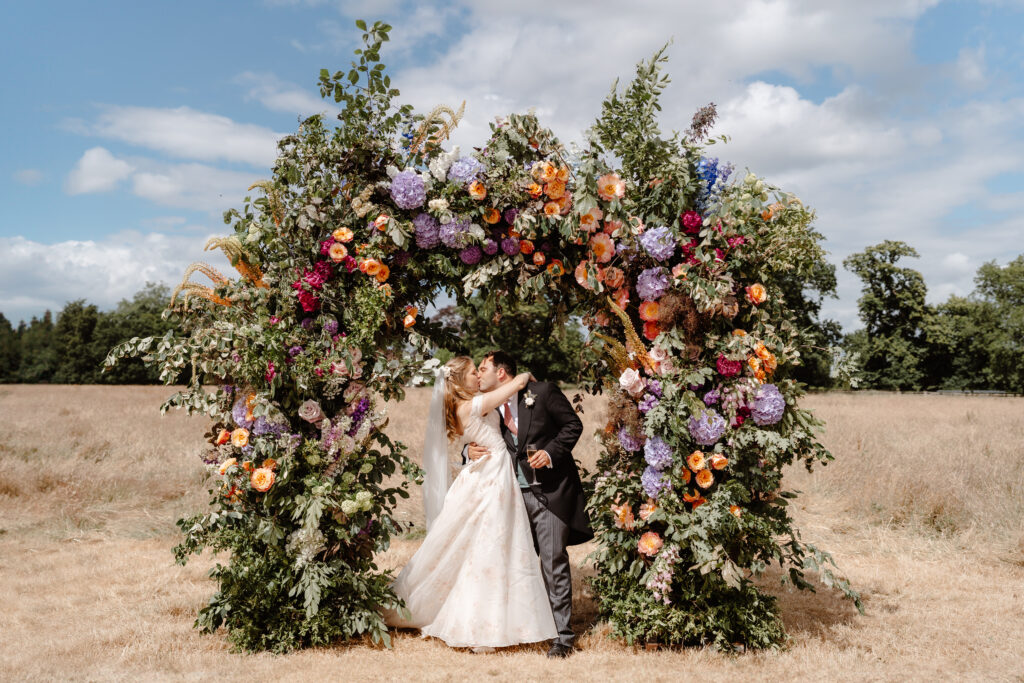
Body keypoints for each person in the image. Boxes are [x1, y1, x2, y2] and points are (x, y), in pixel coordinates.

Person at [383, 356, 557, 652]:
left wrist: (467, 451)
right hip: (491, 478)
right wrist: (525, 373)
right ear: (460, 380)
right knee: (490, 547)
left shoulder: (468, 404)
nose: (478, 375)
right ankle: (481, 625)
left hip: (489, 472)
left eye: (479, 369)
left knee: (490, 546)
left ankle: (503, 619)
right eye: (474, 371)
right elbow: (514, 384)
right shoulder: (472, 405)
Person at [466, 350, 592, 658]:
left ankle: (562, 637)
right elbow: (477, 438)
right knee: (510, 564)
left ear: (502, 373)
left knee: (552, 563)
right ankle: (518, 628)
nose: (479, 374)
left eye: (484, 369)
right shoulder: (490, 407)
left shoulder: (543, 392)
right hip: (508, 498)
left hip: (549, 493)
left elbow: (572, 426)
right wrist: (468, 452)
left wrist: (550, 453)